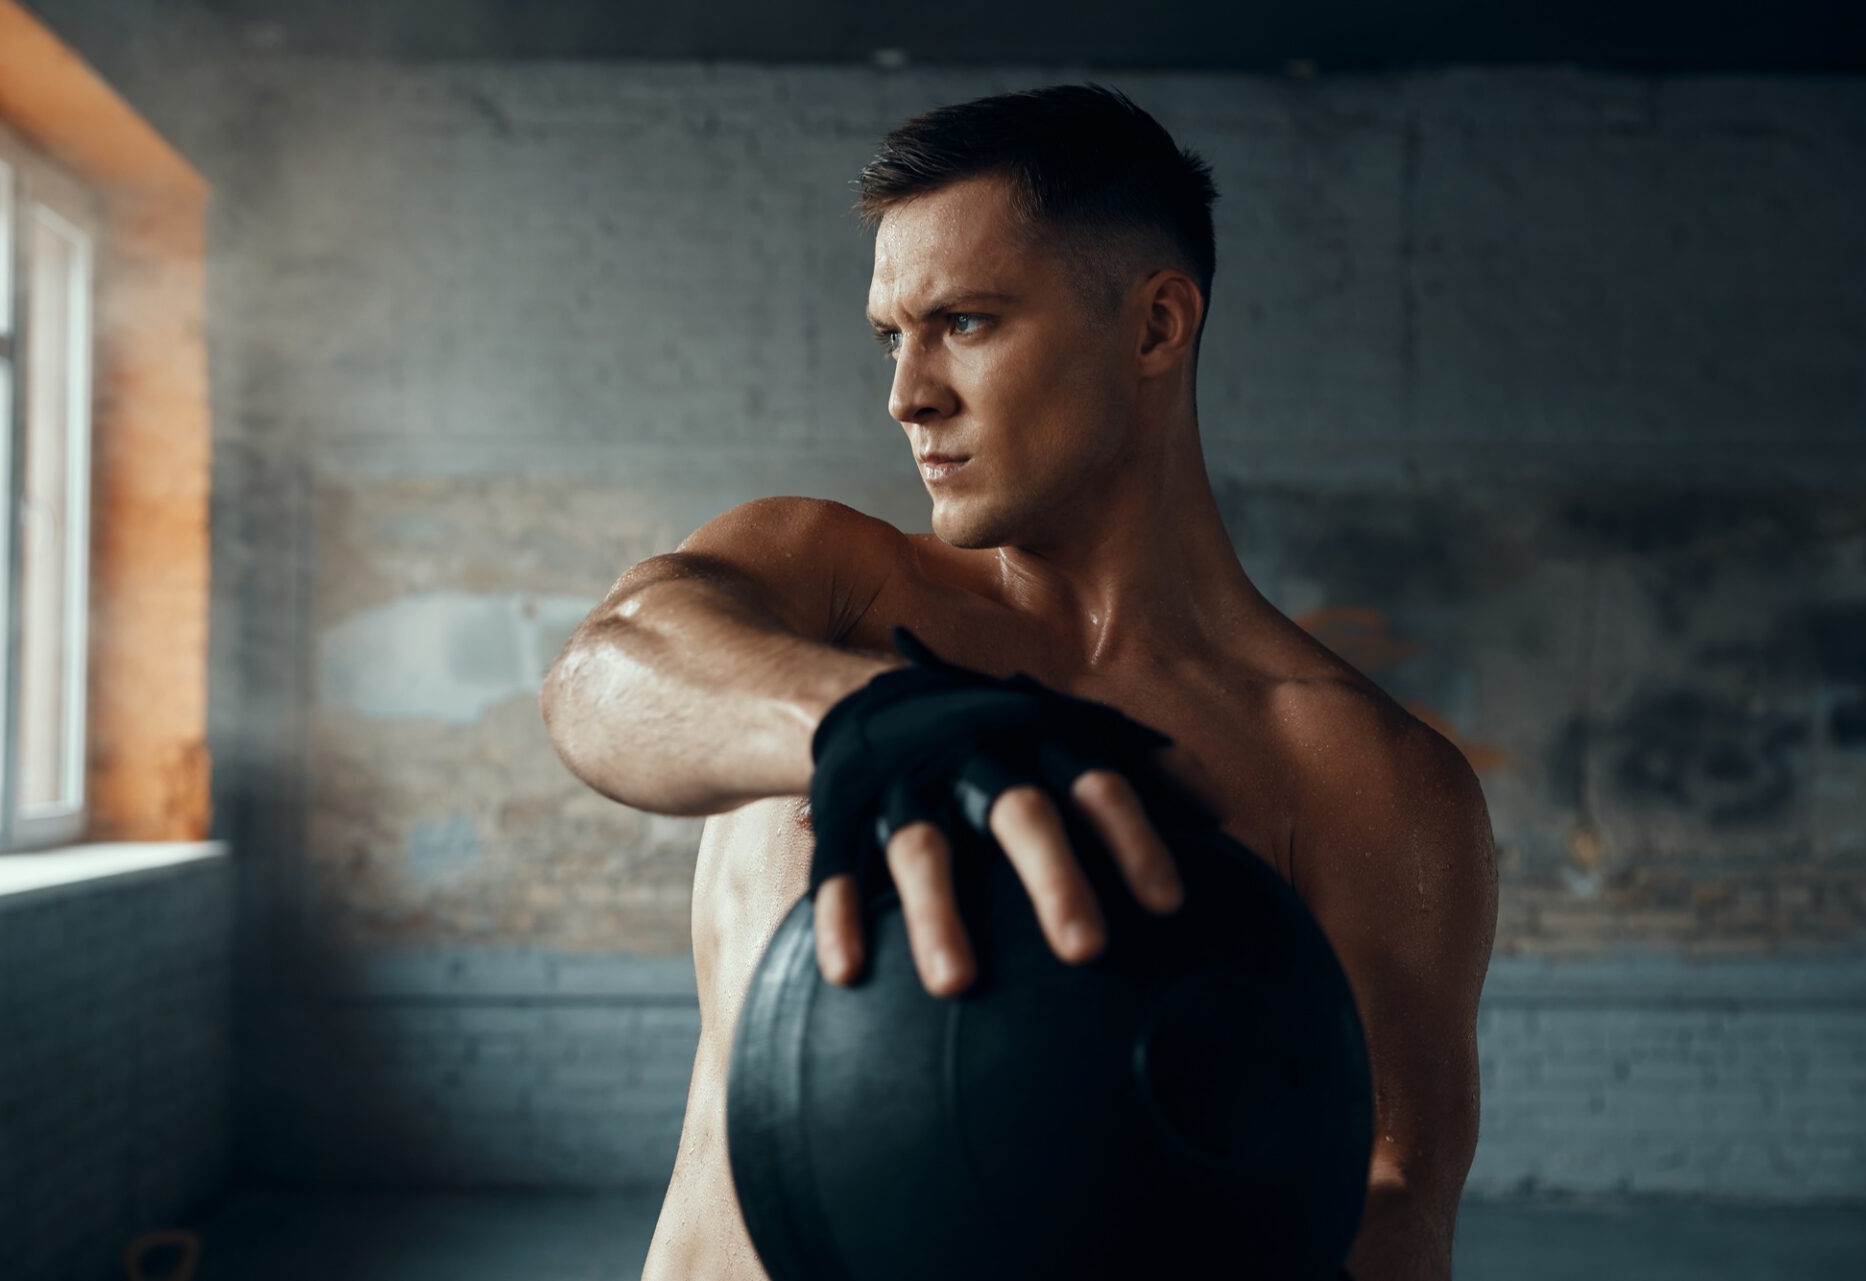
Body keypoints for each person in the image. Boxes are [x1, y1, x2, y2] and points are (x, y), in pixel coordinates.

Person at [540, 82, 1499, 1281]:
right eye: (894, 336)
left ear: (1155, 326)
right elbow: (606, 671)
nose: (908, 395)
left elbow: (1393, 1202)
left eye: (967, 323)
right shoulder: (834, 594)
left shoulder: (1357, 773)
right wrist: (880, 723)